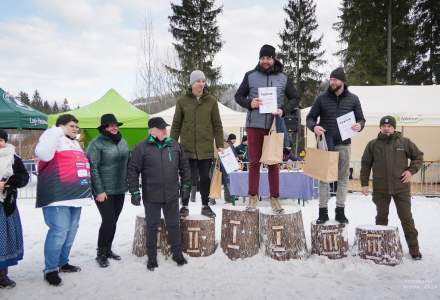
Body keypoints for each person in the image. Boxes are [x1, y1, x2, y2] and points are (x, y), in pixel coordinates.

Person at [235, 44, 299, 213]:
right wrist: (250, 103)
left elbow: (295, 98)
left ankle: (275, 199)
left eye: (268, 58)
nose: (265, 61)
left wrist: (283, 110)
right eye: (263, 58)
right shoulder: (250, 76)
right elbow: (238, 96)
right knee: (254, 163)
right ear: (259, 59)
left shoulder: (283, 78)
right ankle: (252, 198)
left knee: (273, 163)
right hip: (254, 125)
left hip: (274, 126)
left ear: (273, 59)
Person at [35, 114, 92, 286]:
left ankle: (62, 262)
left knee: (71, 231)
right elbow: (43, 154)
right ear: (60, 126)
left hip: (76, 196)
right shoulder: (52, 136)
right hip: (57, 196)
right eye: (71, 126)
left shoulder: (74, 142)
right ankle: (50, 269)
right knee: (59, 230)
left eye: (77, 126)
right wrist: (57, 130)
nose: (76, 129)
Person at [128, 117, 191, 271]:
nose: (164, 130)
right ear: (151, 130)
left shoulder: (175, 145)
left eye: (165, 127)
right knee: (152, 226)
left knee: (174, 225)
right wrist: (134, 191)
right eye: (161, 128)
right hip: (151, 195)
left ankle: (177, 254)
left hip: (171, 195)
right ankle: (152, 257)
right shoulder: (141, 147)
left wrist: (185, 187)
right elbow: (132, 171)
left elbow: (185, 168)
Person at [306, 67, 365, 224]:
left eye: (335, 80)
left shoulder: (353, 99)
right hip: (325, 144)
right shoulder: (321, 98)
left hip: (344, 144)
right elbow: (310, 118)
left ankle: (340, 211)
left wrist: (359, 125)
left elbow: (361, 119)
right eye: (330, 79)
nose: (331, 82)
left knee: (343, 179)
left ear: (343, 82)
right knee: (324, 179)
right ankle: (322, 212)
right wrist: (315, 127)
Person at [360, 116, 423, 260]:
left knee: (406, 218)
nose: (386, 128)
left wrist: (410, 171)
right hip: (381, 188)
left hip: (401, 188)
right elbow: (365, 164)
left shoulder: (404, 142)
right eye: (384, 125)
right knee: (381, 218)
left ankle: (414, 248)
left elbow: (418, 156)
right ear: (380, 127)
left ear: (394, 127)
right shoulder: (373, 144)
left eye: (389, 126)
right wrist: (364, 183)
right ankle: (380, 247)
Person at [171, 70, 224, 218]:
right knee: (187, 178)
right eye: (197, 81)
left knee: (205, 178)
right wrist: (172, 144)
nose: (201, 84)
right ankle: (185, 206)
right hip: (187, 148)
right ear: (192, 84)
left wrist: (219, 144)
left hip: (205, 147)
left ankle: (205, 206)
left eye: (203, 81)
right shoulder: (182, 101)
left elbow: (217, 125)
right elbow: (176, 125)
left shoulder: (211, 101)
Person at [86, 114, 129, 268]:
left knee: (114, 221)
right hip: (104, 190)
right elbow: (93, 167)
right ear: (104, 128)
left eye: (115, 125)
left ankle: (109, 249)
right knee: (108, 221)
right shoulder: (96, 144)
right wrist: (99, 190)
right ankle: (101, 253)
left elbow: (127, 161)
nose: (114, 127)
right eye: (110, 125)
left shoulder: (122, 140)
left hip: (120, 188)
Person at [0, 129, 29, 288]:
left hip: (5, 205)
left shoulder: (13, 157)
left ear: (5, 141)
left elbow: (24, 177)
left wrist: (10, 182)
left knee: (3, 239)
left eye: (1, 140)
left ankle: (2, 275)